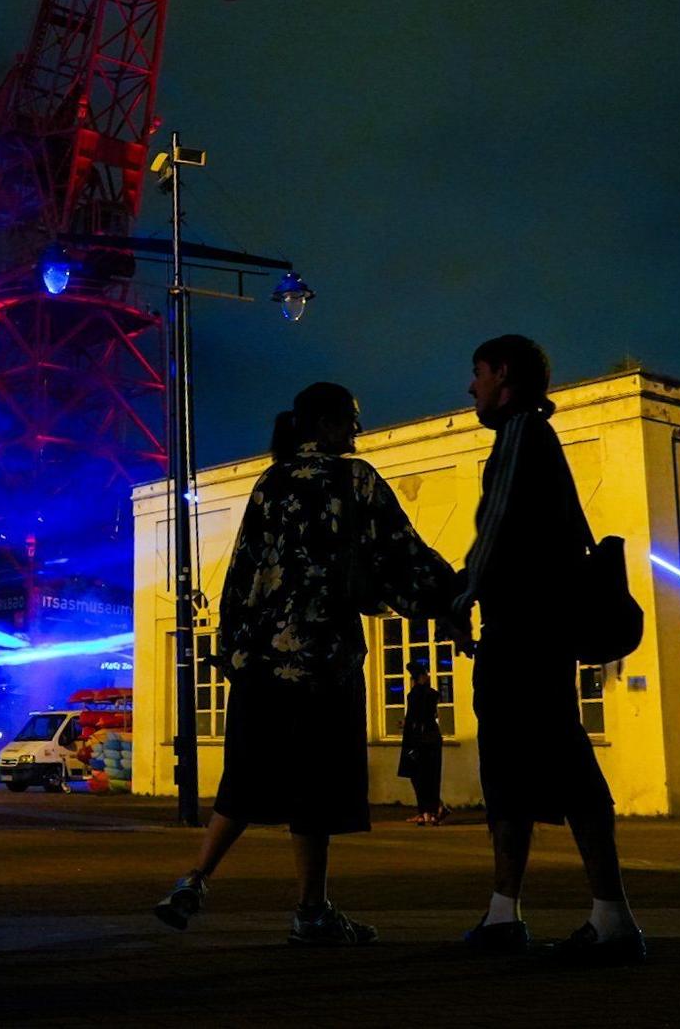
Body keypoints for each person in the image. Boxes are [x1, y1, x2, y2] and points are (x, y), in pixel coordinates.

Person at [154, 382, 457, 944]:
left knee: (245, 778)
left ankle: (194, 879)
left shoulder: (271, 483)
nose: (358, 430)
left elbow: (242, 570)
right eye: (350, 419)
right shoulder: (355, 479)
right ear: (324, 422)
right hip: (324, 663)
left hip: (263, 664)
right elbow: (401, 553)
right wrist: (452, 599)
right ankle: (312, 909)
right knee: (315, 790)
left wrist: (233, 649)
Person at [453, 335, 645, 965]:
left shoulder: (518, 435)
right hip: (546, 632)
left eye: (478, 374)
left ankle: (601, 920)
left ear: (502, 374)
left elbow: (496, 524)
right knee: (539, 765)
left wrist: (461, 599)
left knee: (533, 766)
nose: (471, 386)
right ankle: (516, 914)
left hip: (522, 633)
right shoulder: (540, 438)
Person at [397, 655, 447, 825]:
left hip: (417, 740)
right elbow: (430, 714)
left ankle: (425, 811)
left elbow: (413, 717)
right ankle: (432, 811)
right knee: (432, 776)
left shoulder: (414, 695)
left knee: (418, 777)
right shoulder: (433, 694)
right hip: (433, 738)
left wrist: (406, 723)